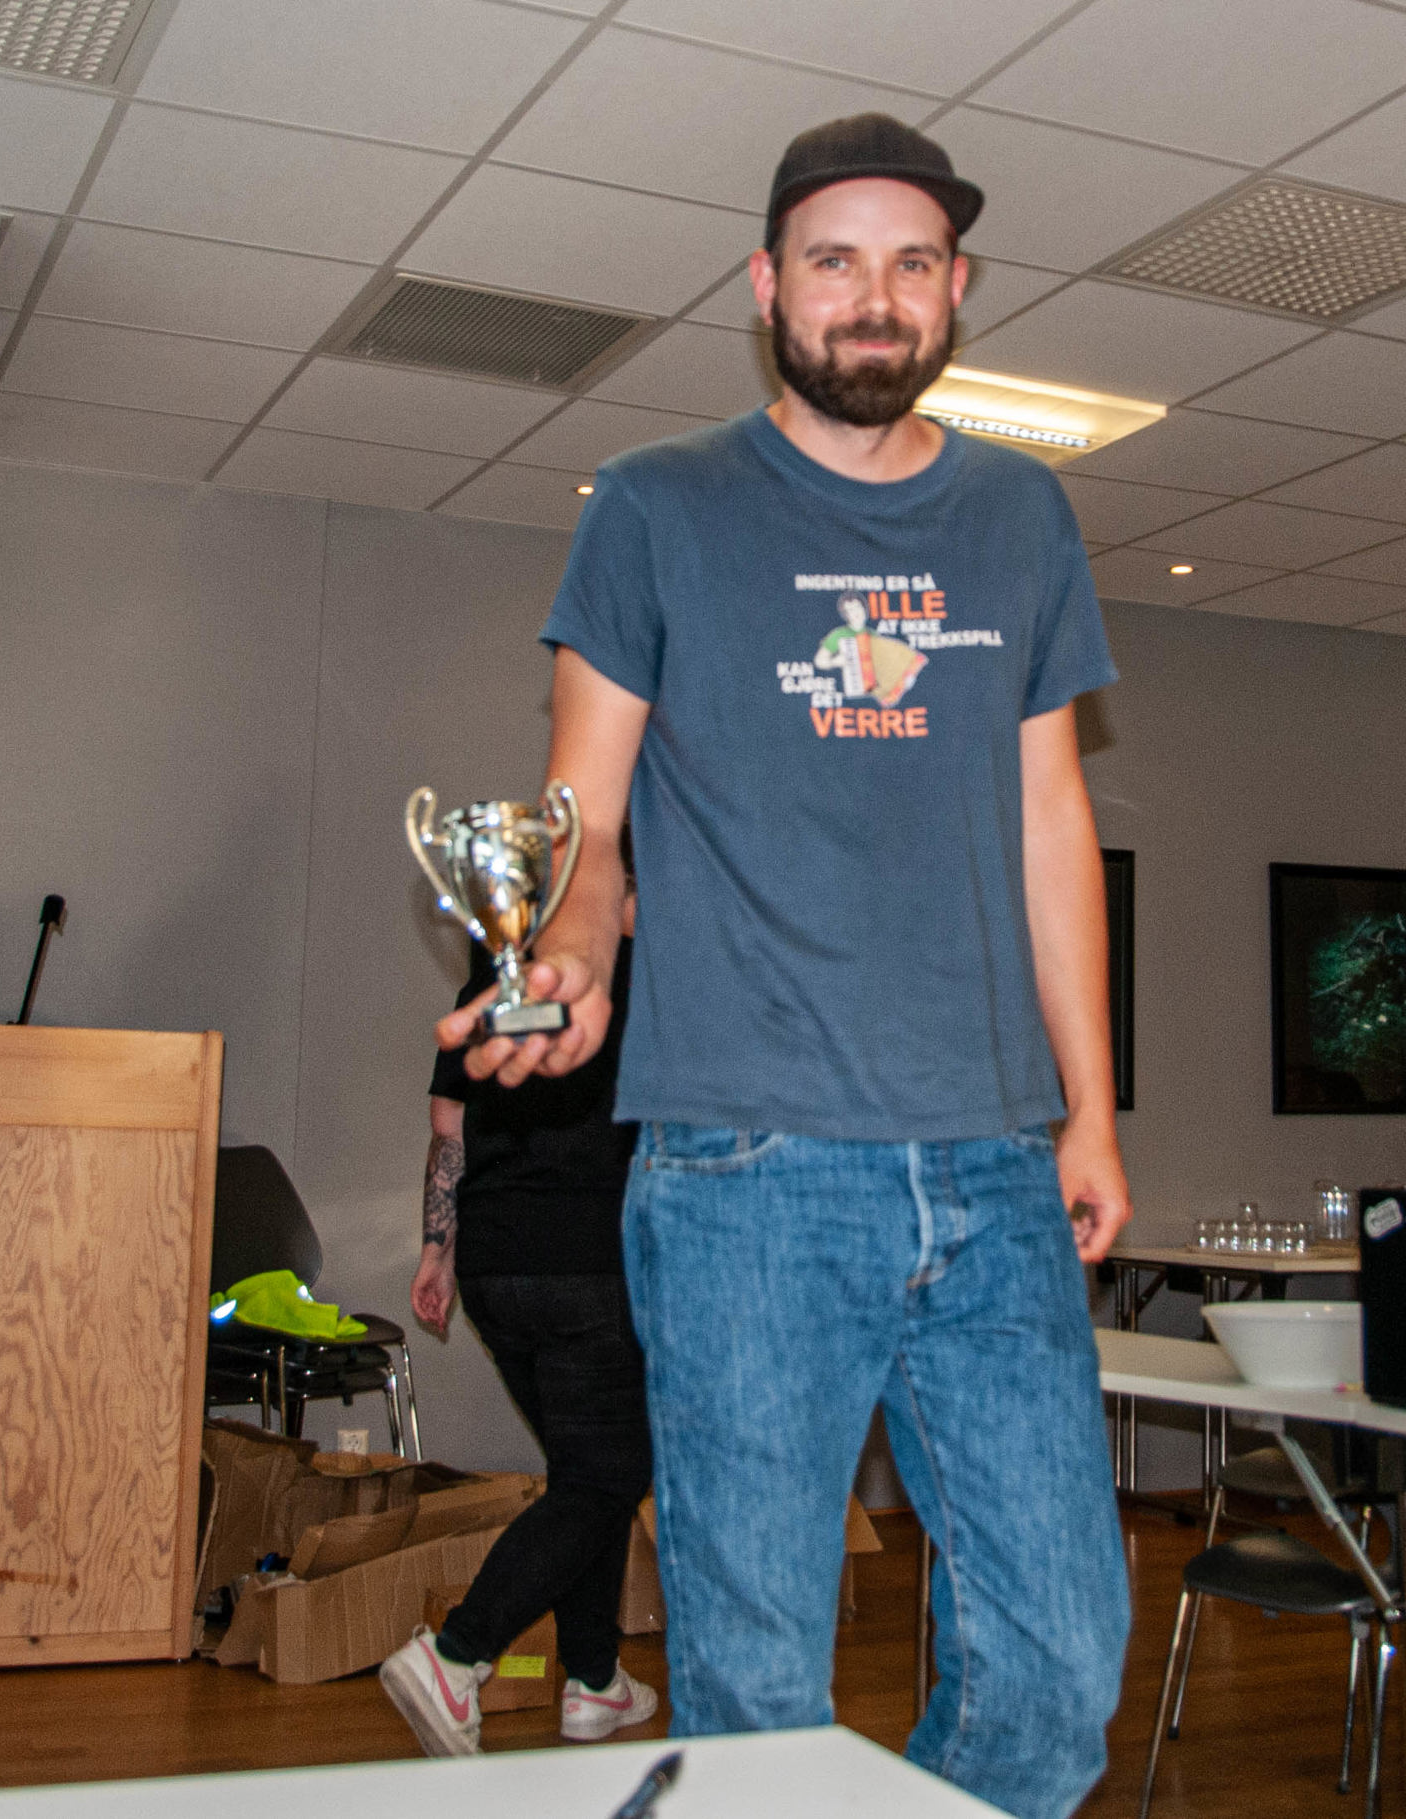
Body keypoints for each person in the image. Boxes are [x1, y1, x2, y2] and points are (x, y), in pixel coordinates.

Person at [438, 113, 1131, 1819]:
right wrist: (573, 948)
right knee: (756, 1694)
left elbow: (1052, 818)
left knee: (1059, 1668)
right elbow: (586, 818)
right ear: (766, 284)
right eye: (835, 260)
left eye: (912, 263)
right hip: (746, 1170)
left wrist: (1093, 1111)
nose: (873, 296)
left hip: (993, 1163)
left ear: (957, 289)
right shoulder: (658, 507)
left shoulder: (1022, 513)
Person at [379, 897, 656, 1757]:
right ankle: (455, 1655)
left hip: (496, 1265)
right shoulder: (633, 972)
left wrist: (437, 1250)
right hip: (592, 1260)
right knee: (608, 1477)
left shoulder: (493, 979)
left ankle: (594, 1680)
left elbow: (448, 1129)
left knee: (586, 1472)